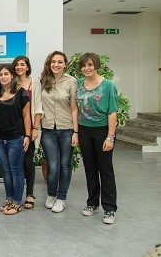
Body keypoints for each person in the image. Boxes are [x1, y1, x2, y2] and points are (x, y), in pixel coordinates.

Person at [76, 52, 118, 225]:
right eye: (84, 66)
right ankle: (92, 203)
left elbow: (112, 112)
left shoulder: (108, 85)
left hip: (102, 131)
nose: (87, 68)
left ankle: (109, 208)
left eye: (90, 65)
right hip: (84, 130)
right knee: (90, 169)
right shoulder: (79, 83)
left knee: (105, 169)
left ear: (96, 66)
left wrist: (110, 137)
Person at [40, 51, 79, 213]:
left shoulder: (72, 82)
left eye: (60, 62)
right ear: (50, 64)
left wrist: (76, 132)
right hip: (48, 129)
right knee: (53, 165)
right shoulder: (43, 81)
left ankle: (61, 198)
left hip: (67, 129)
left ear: (65, 64)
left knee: (65, 165)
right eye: (53, 62)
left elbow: (74, 108)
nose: (56, 64)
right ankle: (51, 194)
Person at [0, 64, 32, 215]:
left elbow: (27, 115)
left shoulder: (21, 93)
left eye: (6, 74)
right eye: (0, 74)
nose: (3, 77)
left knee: (16, 170)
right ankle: (8, 198)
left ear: (12, 75)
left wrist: (27, 136)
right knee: (6, 170)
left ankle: (17, 202)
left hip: (17, 138)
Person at [12, 56, 43, 209]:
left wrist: (34, 128)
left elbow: (38, 107)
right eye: (17, 64)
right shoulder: (10, 82)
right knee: (15, 163)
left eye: (22, 64)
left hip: (28, 128)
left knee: (27, 161)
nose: (19, 67)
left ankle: (29, 194)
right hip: (13, 130)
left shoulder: (34, 82)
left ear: (27, 67)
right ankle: (15, 194)